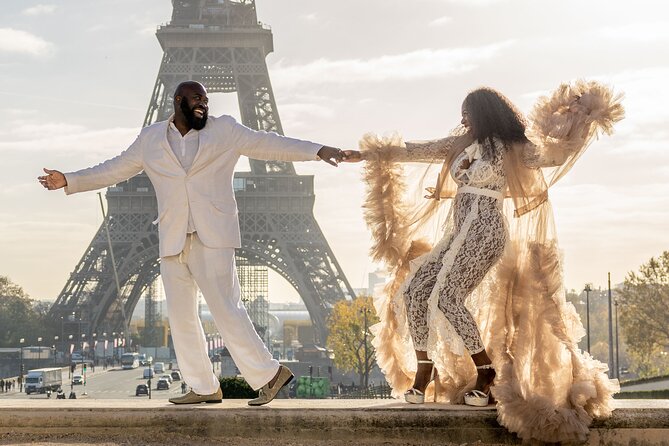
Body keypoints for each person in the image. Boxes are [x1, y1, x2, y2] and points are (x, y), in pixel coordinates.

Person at [343, 80, 624, 443]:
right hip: (457, 232)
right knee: (414, 291)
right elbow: (417, 149)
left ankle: (485, 371)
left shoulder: (515, 147)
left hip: (486, 231)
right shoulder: (461, 144)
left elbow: (552, 156)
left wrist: (581, 117)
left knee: (446, 297)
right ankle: (425, 367)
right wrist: (366, 155)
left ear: (485, 113)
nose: (462, 120)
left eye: (467, 113)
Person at [39, 81, 347, 406]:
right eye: (196, 98)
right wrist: (70, 180)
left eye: (205, 99)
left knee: (226, 308)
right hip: (172, 237)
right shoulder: (150, 139)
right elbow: (114, 169)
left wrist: (317, 150)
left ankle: (270, 375)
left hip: (211, 233)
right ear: (178, 101)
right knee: (181, 316)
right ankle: (203, 386)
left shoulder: (225, 130)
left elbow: (267, 144)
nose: (203, 104)